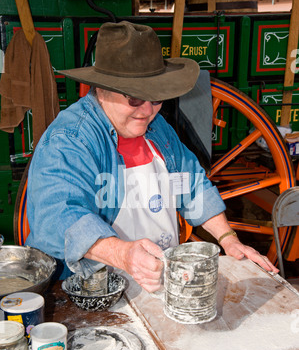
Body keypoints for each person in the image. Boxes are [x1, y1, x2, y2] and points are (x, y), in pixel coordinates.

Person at [26, 21, 278, 291]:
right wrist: (124, 255)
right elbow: (58, 216)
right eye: (135, 98)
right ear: (101, 88)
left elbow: (192, 185)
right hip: (95, 287)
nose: (147, 111)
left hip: (161, 282)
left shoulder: (156, 128)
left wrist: (229, 239)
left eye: (156, 98)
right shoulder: (70, 139)